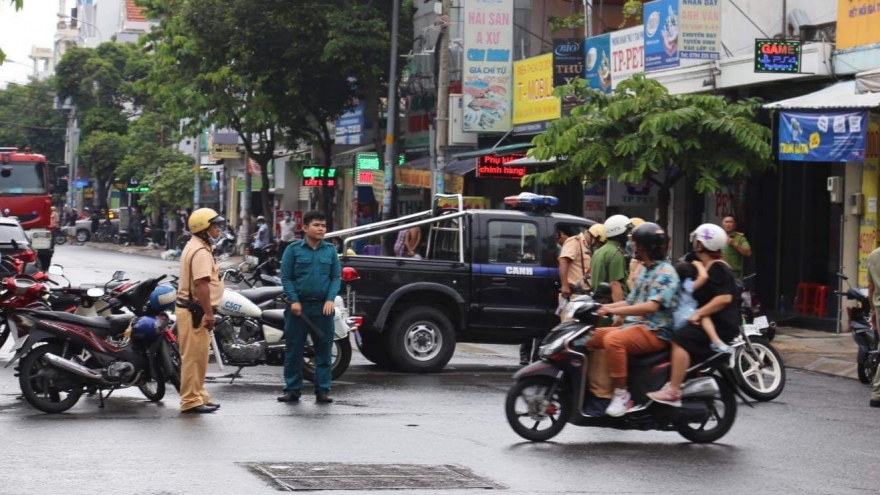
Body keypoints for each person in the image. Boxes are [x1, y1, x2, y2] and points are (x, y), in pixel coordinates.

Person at [590, 222, 679, 417]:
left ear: (648, 247)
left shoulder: (666, 273)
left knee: (613, 340)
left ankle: (622, 394)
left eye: (636, 244)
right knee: (589, 336)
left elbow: (651, 306)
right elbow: (629, 301)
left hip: (656, 330)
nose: (632, 247)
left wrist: (617, 311)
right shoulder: (646, 270)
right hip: (638, 326)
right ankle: (594, 393)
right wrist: (601, 308)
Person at [648, 224, 741, 407]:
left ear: (701, 245)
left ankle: (673, 390)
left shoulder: (718, 268)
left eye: (696, 241)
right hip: (711, 321)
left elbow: (724, 298)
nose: (694, 244)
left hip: (720, 324)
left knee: (680, 339)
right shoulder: (705, 267)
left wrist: (698, 314)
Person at [278, 210, 341, 404]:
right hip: (298, 309)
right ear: (305, 228)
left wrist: (331, 299)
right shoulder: (293, 250)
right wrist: (294, 300)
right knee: (294, 350)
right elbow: (286, 277)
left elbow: (335, 277)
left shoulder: (330, 251)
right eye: (316, 225)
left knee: (323, 350)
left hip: (323, 308)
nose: (321, 229)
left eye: (323, 225)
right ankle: (292, 390)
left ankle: (322, 390)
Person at [175, 208, 226, 414]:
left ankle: (199, 395)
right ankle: (190, 400)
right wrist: (209, 313)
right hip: (194, 311)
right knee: (193, 358)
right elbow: (201, 284)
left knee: (200, 357)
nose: (218, 230)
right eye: (214, 226)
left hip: (194, 310)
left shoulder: (197, 246)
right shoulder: (200, 252)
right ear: (203, 229)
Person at [673, 261, 731, 353]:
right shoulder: (687, 285)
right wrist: (699, 265)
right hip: (687, 314)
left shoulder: (676, 286)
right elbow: (704, 277)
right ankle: (716, 341)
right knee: (704, 315)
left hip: (677, 318)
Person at [591, 215, 631, 303]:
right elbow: (615, 284)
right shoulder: (615, 253)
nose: (628, 236)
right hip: (611, 307)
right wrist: (619, 313)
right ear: (620, 232)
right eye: (626, 232)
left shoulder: (598, 251)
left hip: (599, 303)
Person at [865, 246, 880, 408]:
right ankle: (877, 393)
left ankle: (877, 394)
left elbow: (871, 288)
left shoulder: (873, 255)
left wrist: (873, 310)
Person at [721, 215, 751, 279]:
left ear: (735, 224)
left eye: (730, 222)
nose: (728, 224)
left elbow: (748, 253)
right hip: (719, 272)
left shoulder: (740, 238)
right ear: (722, 223)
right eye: (726, 222)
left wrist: (735, 244)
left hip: (734, 274)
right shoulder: (717, 236)